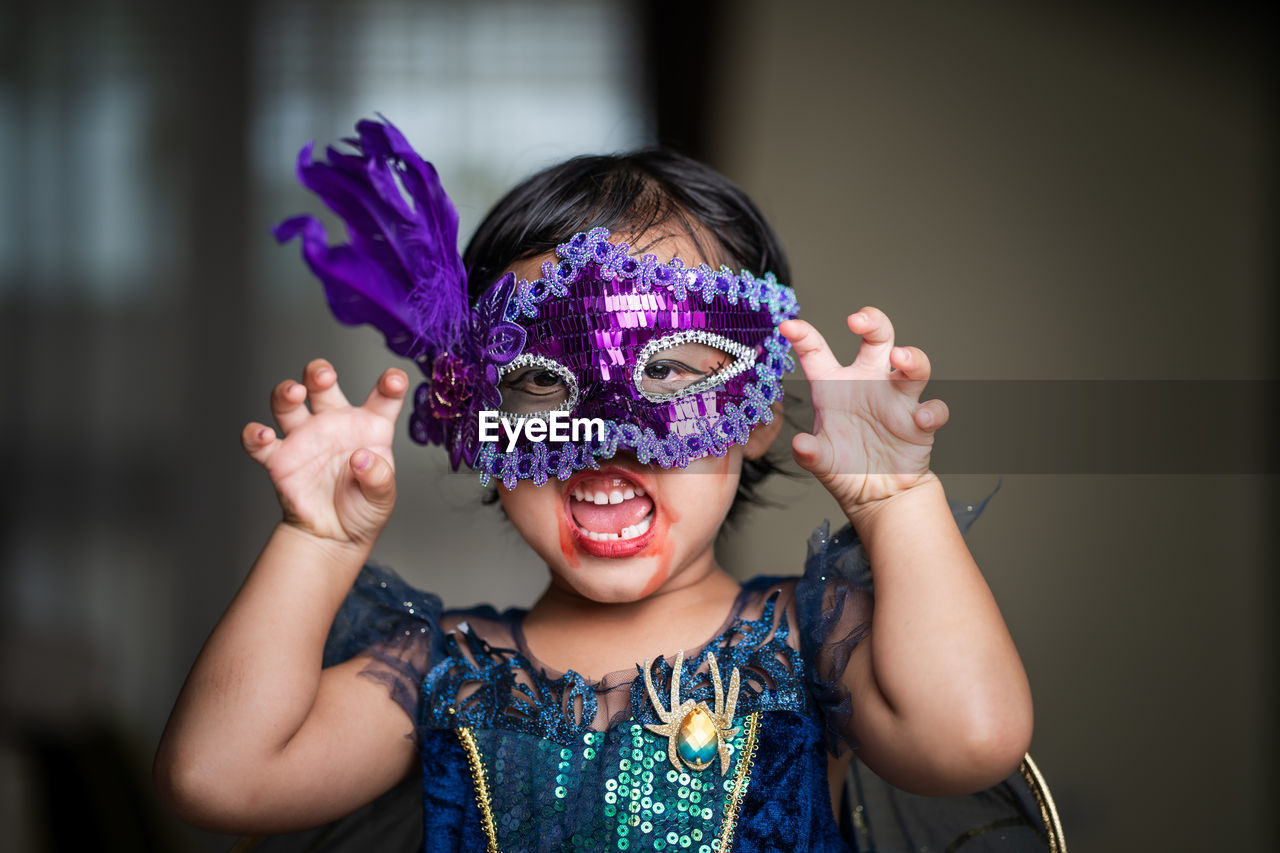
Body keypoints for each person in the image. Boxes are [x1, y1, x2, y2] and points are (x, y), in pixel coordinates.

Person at [154, 118, 1035, 852]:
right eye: (540, 385)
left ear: (759, 411)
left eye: (671, 377)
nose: (606, 439)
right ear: (477, 429)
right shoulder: (447, 674)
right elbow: (218, 778)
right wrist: (318, 541)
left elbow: (970, 736)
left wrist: (894, 499)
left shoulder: (807, 640)